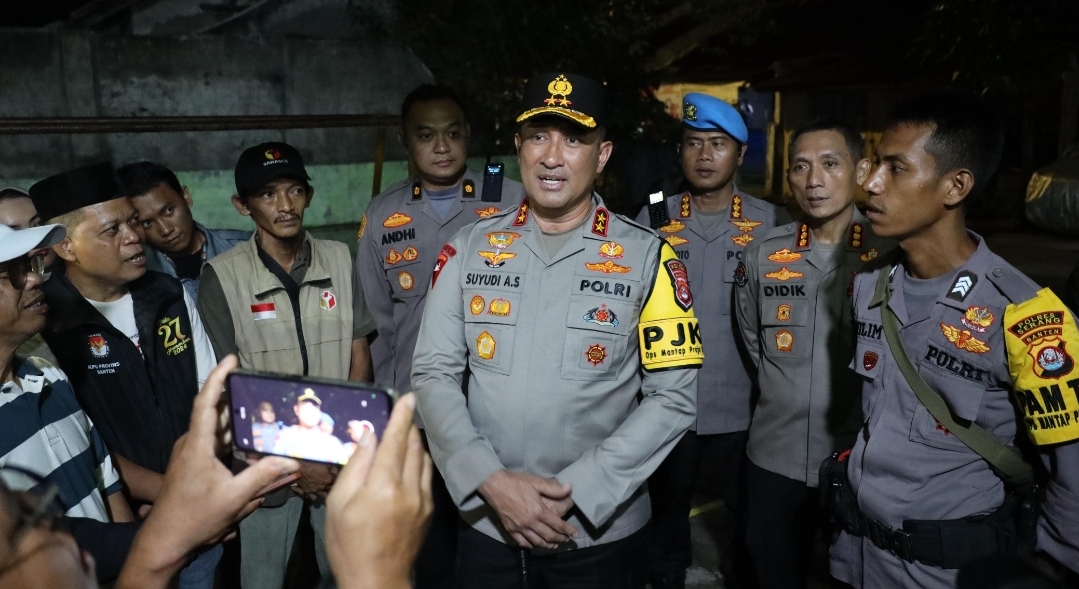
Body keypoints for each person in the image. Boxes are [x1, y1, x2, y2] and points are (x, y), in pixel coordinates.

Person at [412, 72, 701, 589]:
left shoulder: (649, 257)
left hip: (599, 534)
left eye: (573, 140)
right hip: (488, 526)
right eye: (539, 136)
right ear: (518, 146)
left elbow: (673, 397)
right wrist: (490, 481)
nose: (552, 157)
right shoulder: (469, 248)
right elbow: (433, 372)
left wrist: (576, 491)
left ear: (603, 154)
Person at [828, 91, 1079, 587]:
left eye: (896, 168)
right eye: (876, 163)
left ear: (955, 186)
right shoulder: (871, 287)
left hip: (946, 572)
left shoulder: (1027, 318)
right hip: (854, 555)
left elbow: (1072, 478)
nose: (871, 183)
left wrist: (1048, 570)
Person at [0, 353, 433, 589]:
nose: (70, 536)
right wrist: (377, 575)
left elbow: (141, 568)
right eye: (26, 529)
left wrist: (167, 537)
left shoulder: (47, 371)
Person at [355, 82, 526, 589]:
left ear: (468, 134)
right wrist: (390, 411)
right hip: (420, 408)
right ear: (406, 141)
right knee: (429, 540)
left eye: (452, 133)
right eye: (426, 135)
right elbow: (377, 324)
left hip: (498, 403)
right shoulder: (384, 214)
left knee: (495, 537)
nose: (442, 146)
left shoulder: (511, 200)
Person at [28, 162, 221, 588]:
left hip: (199, 504)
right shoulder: (48, 327)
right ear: (66, 247)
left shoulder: (168, 294)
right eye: (111, 230)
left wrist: (200, 486)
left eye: (132, 222)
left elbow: (210, 391)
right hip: (119, 524)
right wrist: (163, 494)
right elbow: (81, 439)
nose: (133, 236)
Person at [197, 141, 377, 589]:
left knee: (348, 573)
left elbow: (358, 354)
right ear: (242, 205)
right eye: (268, 194)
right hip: (265, 465)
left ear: (309, 196)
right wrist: (298, 460)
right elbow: (229, 383)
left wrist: (334, 450)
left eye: (295, 191)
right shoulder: (222, 277)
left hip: (338, 458)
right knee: (262, 578)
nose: (285, 205)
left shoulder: (339, 258)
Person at [634, 92, 789, 589]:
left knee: (749, 525)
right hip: (668, 406)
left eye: (718, 144)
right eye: (693, 143)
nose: (704, 156)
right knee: (664, 519)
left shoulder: (771, 225)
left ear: (740, 154)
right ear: (679, 152)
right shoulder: (652, 218)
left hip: (742, 410)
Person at [734, 119, 892, 589]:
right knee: (773, 572)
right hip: (774, 457)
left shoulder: (891, 256)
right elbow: (754, 345)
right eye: (800, 167)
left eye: (829, 164)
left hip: (861, 459)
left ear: (861, 171)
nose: (814, 181)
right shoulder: (763, 254)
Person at [118, 162, 250, 300]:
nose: (166, 230)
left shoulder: (244, 247)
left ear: (186, 196)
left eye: (168, 210)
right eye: (147, 223)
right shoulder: (137, 272)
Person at [274, 390, 345, 463]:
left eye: (314, 406)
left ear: (320, 412)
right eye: (305, 405)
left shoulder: (333, 443)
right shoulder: (285, 437)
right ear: (296, 409)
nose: (310, 411)